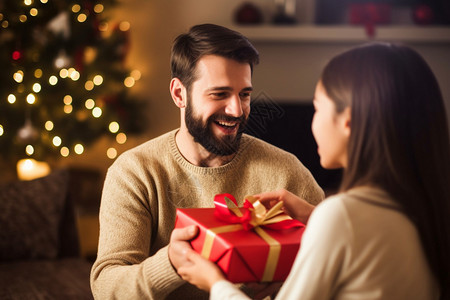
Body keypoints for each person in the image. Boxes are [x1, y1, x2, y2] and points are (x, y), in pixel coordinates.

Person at [177, 42, 450, 300]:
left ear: (348, 122)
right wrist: (315, 217)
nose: (313, 122)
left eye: (317, 108)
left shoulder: (342, 216)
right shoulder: (422, 209)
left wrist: (216, 283)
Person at [90, 23, 324, 299]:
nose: (237, 110)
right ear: (179, 94)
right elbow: (106, 288)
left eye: (244, 94)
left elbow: (337, 266)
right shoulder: (135, 172)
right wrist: (171, 263)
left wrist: (291, 281)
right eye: (220, 94)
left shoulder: (286, 172)